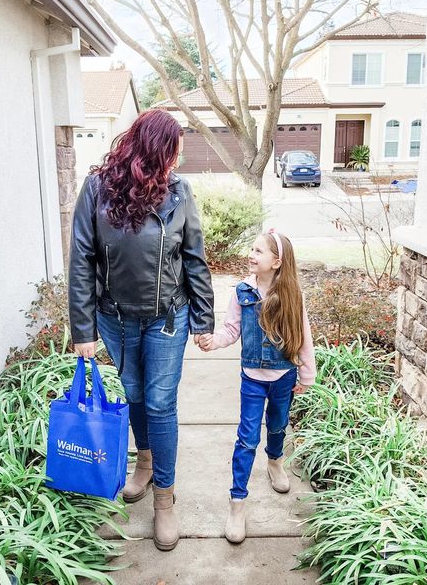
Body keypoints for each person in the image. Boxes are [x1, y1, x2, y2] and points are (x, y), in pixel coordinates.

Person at [68, 109, 214, 552]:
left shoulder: (178, 191)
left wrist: (204, 319)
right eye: (174, 149)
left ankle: (165, 500)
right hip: (114, 318)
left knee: (159, 402)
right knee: (133, 395)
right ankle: (144, 463)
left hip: (168, 317)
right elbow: (81, 261)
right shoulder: (97, 188)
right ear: (153, 148)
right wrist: (83, 328)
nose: (178, 158)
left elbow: (194, 257)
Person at [198, 230, 316, 544]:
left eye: (259, 251)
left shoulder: (292, 295)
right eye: (251, 249)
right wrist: (214, 341)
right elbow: (231, 329)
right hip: (252, 378)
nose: (252, 255)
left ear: (277, 262)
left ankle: (275, 461)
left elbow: (302, 336)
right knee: (247, 438)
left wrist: (307, 375)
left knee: (277, 426)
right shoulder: (242, 292)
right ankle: (237, 502)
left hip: (283, 377)